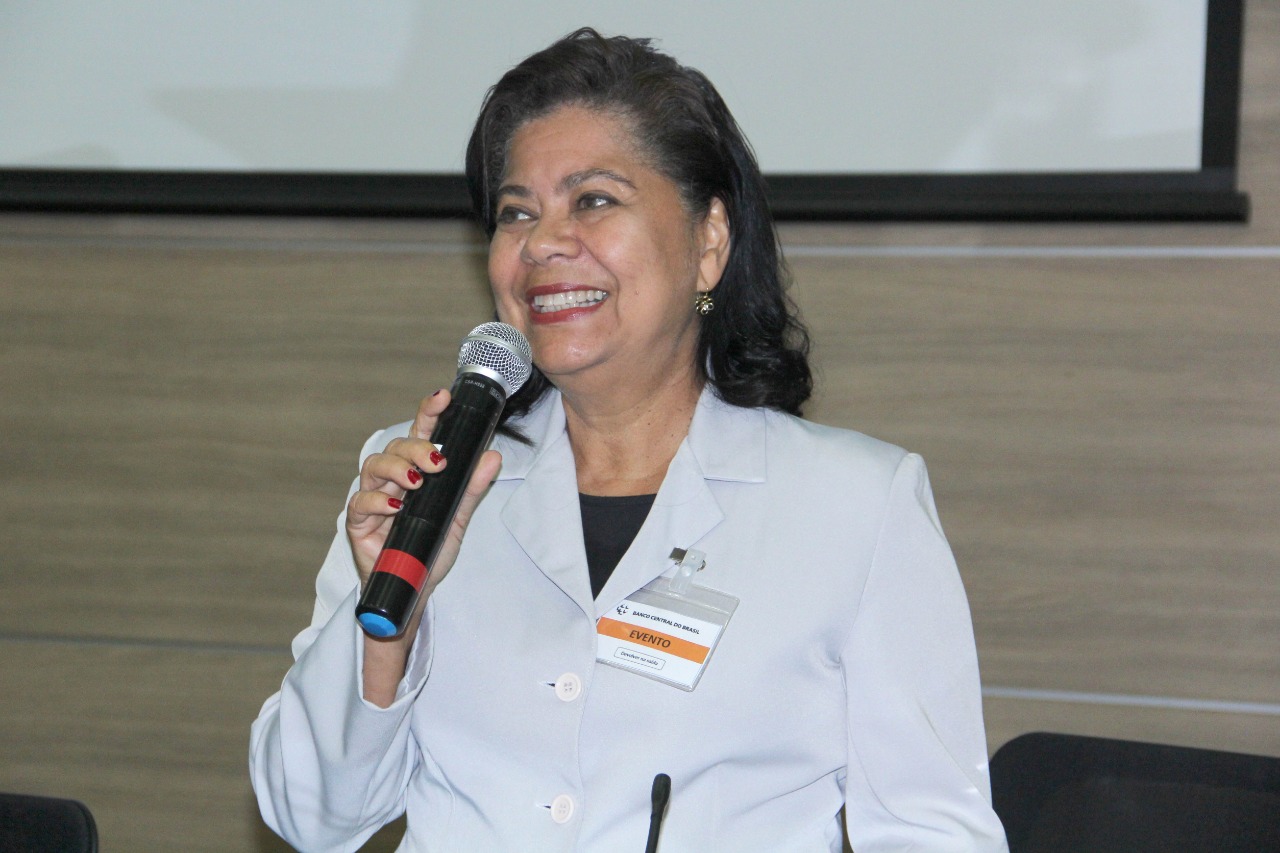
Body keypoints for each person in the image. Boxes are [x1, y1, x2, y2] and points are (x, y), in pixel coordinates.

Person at [250, 28, 1008, 853]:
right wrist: (387, 625)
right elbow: (310, 817)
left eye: (594, 201)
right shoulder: (419, 480)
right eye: (516, 212)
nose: (543, 243)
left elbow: (937, 834)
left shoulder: (856, 505)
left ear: (708, 244)